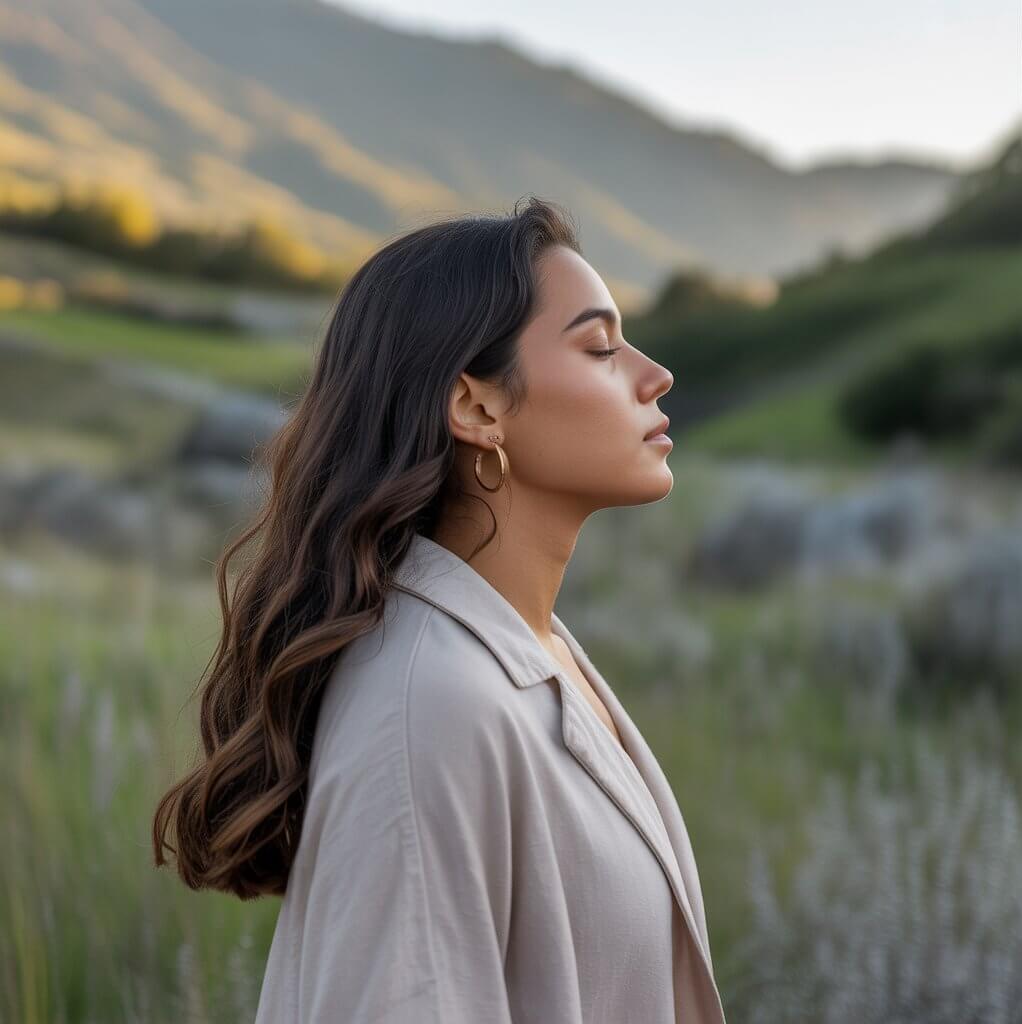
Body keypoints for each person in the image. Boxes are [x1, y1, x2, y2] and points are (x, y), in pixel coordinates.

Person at [152, 196, 727, 1023]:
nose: (652, 373)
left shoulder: (529, 650)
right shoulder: (432, 706)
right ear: (478, 408)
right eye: (600, 346)